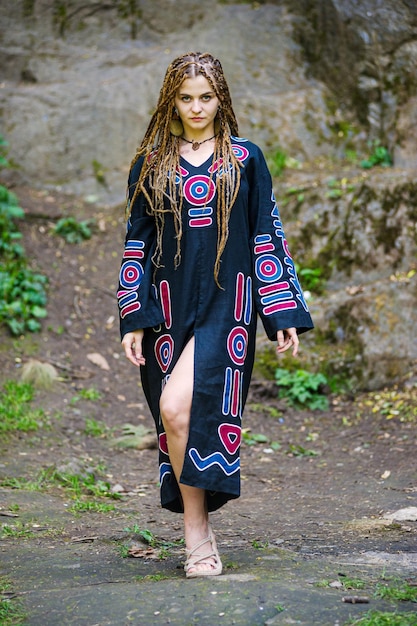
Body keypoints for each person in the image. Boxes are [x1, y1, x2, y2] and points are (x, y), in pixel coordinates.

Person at [118, 51, 314, 578]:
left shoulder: (245, 160)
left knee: (180, 407)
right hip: (167, 305)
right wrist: (133, 314)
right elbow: (137, 242)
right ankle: (197, 529)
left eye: (206, 97)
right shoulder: (151, 164)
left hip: (229, 304)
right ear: (171, 101)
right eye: (186, 98)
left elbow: (265, 233)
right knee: (171, 414)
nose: (197, 107)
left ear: (220, 98)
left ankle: (195, 534)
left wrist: (281, 310)